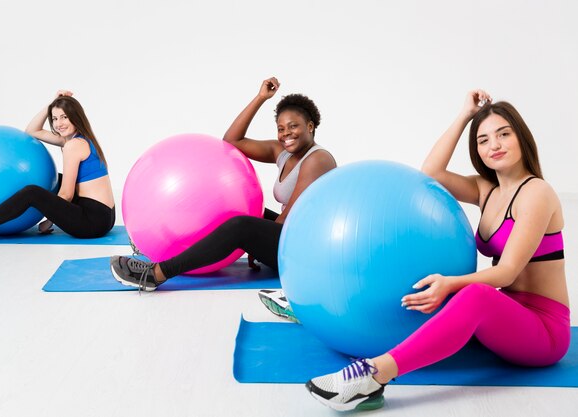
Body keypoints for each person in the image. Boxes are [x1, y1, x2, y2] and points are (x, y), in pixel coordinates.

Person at [306, 90, 569, 412]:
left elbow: (508, 271)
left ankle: (372, 377)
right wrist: (463, 117)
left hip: (544, 330)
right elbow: (429, 174)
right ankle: (320, 307)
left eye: (503, 134)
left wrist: (450, 283)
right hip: (509, 314)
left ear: (521, 137)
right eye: (483, 140)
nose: (494, 146)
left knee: (471, 293)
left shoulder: (537, 192)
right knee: (451, 289)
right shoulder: (487, 191)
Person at [110, 77, 337, 291]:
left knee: (241, 225)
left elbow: (289, 217)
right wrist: (260, 98)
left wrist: (257, 238)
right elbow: (232, 141)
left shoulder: (318, 159)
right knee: (238, 212)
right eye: (281, 128)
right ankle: (159, 244)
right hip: (293, 235)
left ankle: (156, 274)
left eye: (294, 126)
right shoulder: (284, 153)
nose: (286, 133)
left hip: (305, 249)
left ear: (310, 126)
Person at [0, 91, 115, 241]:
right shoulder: (79, 139)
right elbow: (32, 131)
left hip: (92, 222)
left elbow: (66, 194)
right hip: (105, 216)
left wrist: (50, 219)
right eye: (55, 118)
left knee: (32, 193)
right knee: (53, 178)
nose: (59, 123)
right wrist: (51, 104)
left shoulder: (73, 146)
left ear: (76, 117)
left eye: (64, 117)